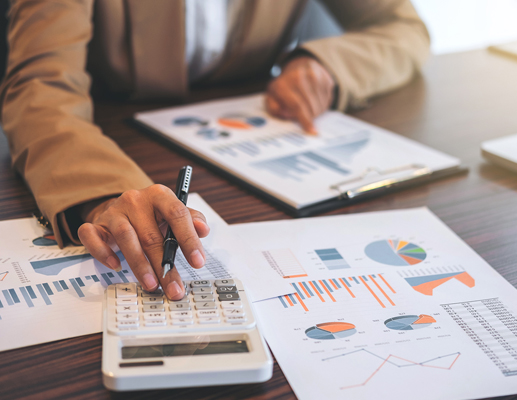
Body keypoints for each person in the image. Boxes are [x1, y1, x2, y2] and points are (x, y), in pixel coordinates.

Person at [0, 0, 429, 300]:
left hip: (249, 143)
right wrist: (103, 194)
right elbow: (41, 86)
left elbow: (404, 28)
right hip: (110, 134)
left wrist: (327, 63)